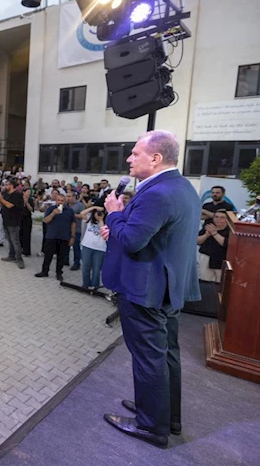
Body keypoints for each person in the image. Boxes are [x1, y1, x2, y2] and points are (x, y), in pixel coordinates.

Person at [100, 130, 200, 448]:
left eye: (135, 153)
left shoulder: (157, 193)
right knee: (166, 355)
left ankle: (150, 426)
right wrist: (117, 228)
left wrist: (114, 215)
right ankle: (165, 416)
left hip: (146, 290)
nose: (129, 158)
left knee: (148, 359)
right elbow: (150, 236)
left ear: (155, 158)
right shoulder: (181, 187)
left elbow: (132, 239)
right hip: (166, 288)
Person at [35, 192, 76, 281]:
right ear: (56, 201)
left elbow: (73, 223)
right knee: (48, 255)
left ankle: (59, 273)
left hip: (64, 236)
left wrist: (72, 236)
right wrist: (53, 213)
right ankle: (44, 271)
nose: (60, 202)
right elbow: (46, 220)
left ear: (65, 201)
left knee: (61, 257)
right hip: (51, 236)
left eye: (62, 200)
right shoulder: (50, 209)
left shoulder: (70, 211)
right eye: (58, 200)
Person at [0, 178, 25, 269]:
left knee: (15, 241)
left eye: (7, 184)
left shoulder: (17, 195)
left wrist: (0, 198)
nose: (5, 186)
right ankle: (11, 255)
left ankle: (19, 259)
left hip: (14, 221)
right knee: (9, 240)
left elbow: (10, 205)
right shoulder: (5, 194)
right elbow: (2, 205)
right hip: (6, 220)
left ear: (12, 185)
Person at [196, 209, 229, 283]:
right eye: (216, 217)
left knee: (220, 283)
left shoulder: (229, 231)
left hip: (220, 261)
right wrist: (206, 235)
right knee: (205, 282)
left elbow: (225, 244)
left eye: (222, 217)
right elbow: (197, 241)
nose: (218, 219)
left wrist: (214, 233)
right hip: (206, 258)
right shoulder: (208, 227)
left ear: (227, 220)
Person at [79, 206, 107, 291]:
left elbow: (104, 233)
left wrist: (101, 220)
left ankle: (95, 286)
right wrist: (94, 207)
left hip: (100, 248)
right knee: (86, 267)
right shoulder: (89, 220)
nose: (97, 214)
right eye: (96, 213)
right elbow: (82, 213)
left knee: (96, 268)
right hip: (87, 246)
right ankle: (85, 285)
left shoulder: (106, 223)